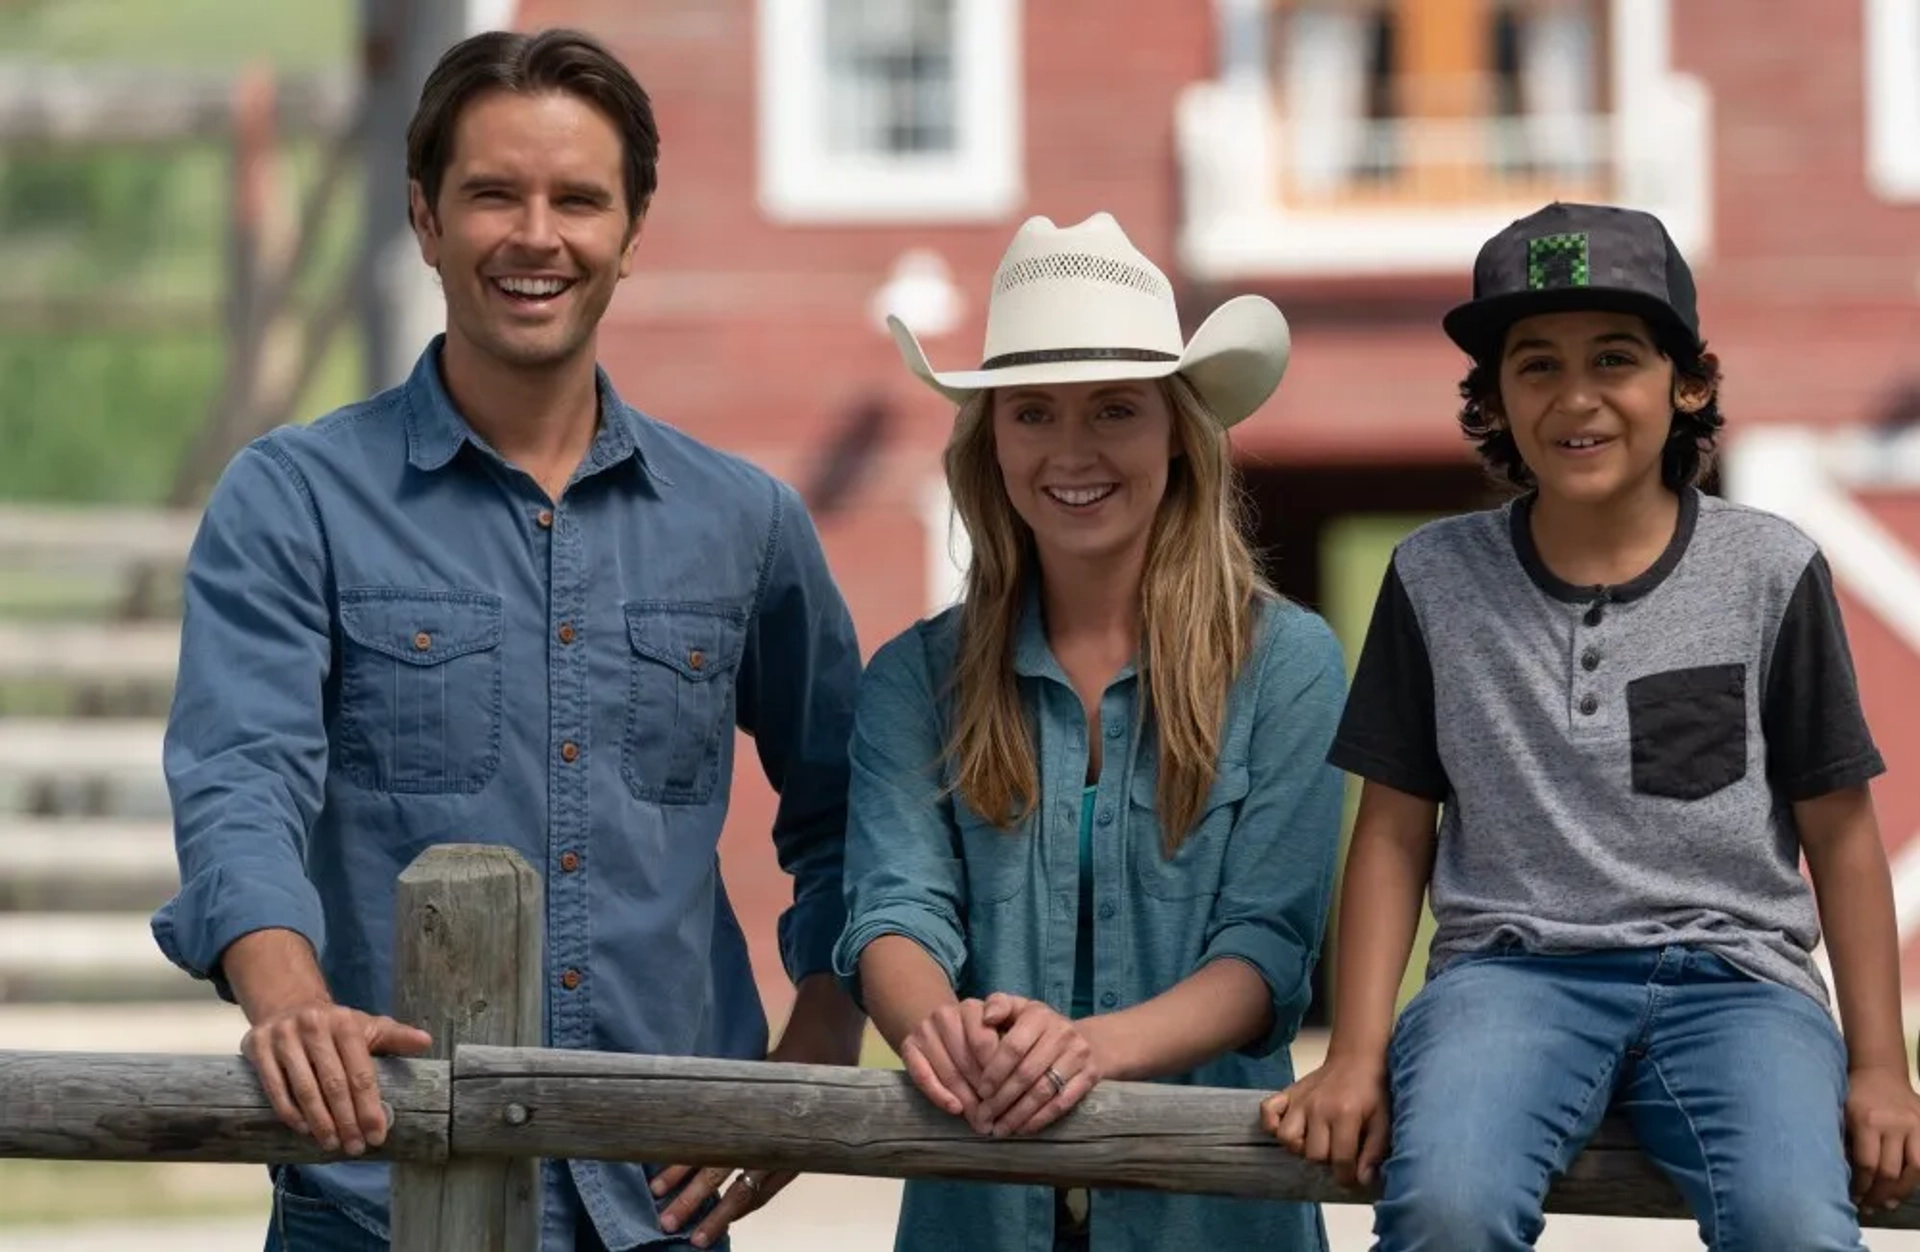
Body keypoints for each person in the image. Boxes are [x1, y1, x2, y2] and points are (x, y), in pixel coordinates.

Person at [150, 27, 866, 1252]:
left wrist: (813, 1063)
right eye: (494, 194)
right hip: (368, 1198)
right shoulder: (293, 500)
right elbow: (238, 776)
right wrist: (288, 1001)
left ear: (632, 234)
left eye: (579, 200)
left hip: (656, 1214)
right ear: (425, 220)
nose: (538, 235)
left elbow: (855, 810)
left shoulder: (745, 523)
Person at [1263, 201, 1920, 1250]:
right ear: (1493, 396)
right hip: (1508, 975)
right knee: (1445, 1210)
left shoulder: (1771, 570)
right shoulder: (1433, 579)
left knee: (1796, 1222)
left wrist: (1882, 1070)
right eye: (1536, 366)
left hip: (1737, 981)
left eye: (1615, 358)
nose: (1577, 398)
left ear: (1687, 380)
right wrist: (1353, 1053)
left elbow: (1840, 831)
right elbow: (1392, 832)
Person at [835, 211, 1347, 1251]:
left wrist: (1084, 1047)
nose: (1072, 451)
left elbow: (1265, 953)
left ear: (1176, 430)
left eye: (1115, 409)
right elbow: (893, 909)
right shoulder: (913, 680)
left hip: (1212, 1217)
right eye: (1032, 413)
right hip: (977, 1203)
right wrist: (933, 1027)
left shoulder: (1287, 664)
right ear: (994, 442)